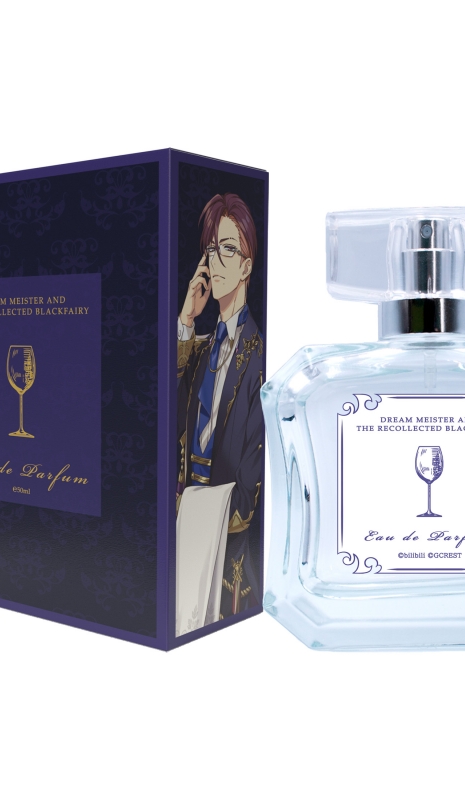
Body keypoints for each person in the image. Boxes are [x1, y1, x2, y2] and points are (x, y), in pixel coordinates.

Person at [176, 193, 263, 623]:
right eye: (211, 250)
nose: (217, 260)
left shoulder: (259, 356)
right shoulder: (200, 348)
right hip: (181, 526)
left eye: (228, 248)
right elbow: (166, 410)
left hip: (225, 545)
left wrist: (201, 512)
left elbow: (251, 483)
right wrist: (187, 321)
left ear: (246, 266)